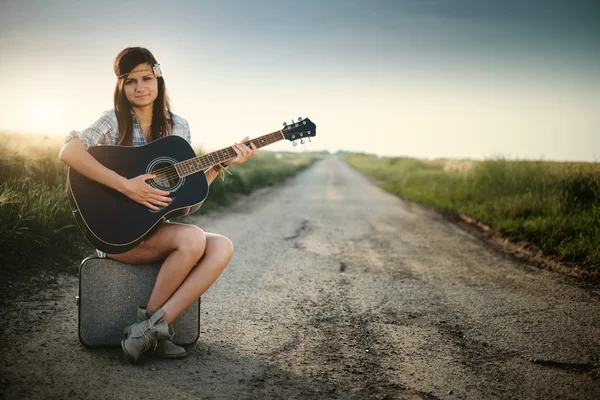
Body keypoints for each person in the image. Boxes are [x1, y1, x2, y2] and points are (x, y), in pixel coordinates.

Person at [58, 47, 257, 363]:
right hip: (117, 233)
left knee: (222, 246)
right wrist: (127, 186)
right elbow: (68, 153)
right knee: (192, 237)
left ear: (158, 77)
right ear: (121, 87)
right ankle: (153, 331)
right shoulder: (112, 121)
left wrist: (218, 166)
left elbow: (184, 201)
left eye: (146, 78)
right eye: (130, 81)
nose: (139, 87)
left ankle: (150, 329)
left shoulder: (179, 127)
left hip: (155, 231)